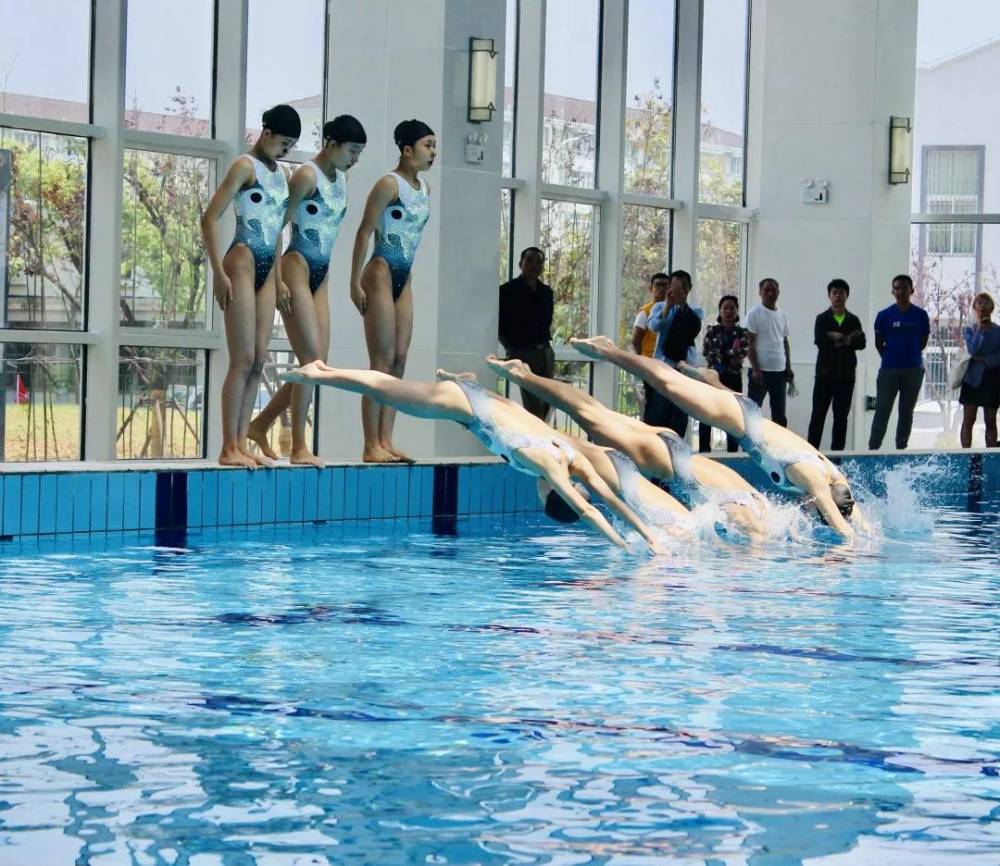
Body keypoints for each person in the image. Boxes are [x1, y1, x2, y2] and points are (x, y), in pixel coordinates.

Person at [282, 361, 683, 552]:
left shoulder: (575, 459)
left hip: (486, 403)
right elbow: (589, 510)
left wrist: (650, 536)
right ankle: (320, 373)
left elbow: (610, 500)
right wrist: (623, 547)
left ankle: (459, 378)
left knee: (395, 391)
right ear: (552, 493)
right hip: (467, 407)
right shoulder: (549, 466)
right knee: (388, 390)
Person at [569, 335, 869, 539]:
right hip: (740, 419)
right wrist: (850, 547)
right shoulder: (815, 481)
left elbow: (850, 510)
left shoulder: (834, 478)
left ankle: (711, 381)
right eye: (814, 510)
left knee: (676, 391)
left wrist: (866, 532)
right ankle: (609, 350)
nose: (807, 509)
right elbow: (838, 519)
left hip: (747, 417)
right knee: (667, 383)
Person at [486, 354, 768, 540]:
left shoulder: (750, 509)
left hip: (669, 461)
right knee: (589, 413)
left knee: (589, 413)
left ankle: (520, 379)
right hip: (667, 461)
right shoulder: (752, 512)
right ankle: (521, 378)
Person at [247, 115, 367, 466]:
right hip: (296, 267)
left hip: (321, 275)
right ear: (331, 144)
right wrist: (277, 279)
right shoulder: (305, 176)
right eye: (352, 151)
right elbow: (274, 225)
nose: (355, 159)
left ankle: (260, 424)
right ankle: (299, 446)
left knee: (318, 365)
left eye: (359, 153)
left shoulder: (341, 178)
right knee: (311, 362)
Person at [200, 104, 300, 467]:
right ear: (266, 133)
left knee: (258, 360)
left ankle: (241, 443)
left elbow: (276, 229)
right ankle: (228, 447)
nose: (286, 150)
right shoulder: (244, 166)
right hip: (241, 262)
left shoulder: (282, 175)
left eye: (291, 146)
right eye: (283, 143)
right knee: (241, 359)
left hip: (267, 269)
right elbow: (209, 218)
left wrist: (279, 278)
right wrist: (218, 271)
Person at [349, 119, 435, 463]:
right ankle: (370, 444)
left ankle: (386, 439)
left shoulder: (425, 188)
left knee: (399, 360)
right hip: (381, 271)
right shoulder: (388, 184)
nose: (433, 152)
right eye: (427, 145)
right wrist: (353, 282)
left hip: (404, 277)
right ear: (407, 150)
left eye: (434, 146)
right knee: (381, 362)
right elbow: (363, 232)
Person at [868, 274, 930, 451]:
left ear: (911, 290)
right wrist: (891, 358)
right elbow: (879, 343)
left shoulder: (921, 315)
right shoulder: (884, 315)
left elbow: (923, 342)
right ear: (892, 291)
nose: (900, 291)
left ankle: (901, 448)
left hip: (913, 370)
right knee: (882, 410)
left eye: (904, 288)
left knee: (906, 412)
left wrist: (908, 355)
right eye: (897, 288)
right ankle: (873, 449)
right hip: (889, 370)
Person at [806, 278, 866, 451]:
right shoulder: (822, 318)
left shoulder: (853, 319)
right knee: (818, 416)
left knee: (841, 418)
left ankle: (837, 458)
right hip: (824, 376)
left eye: (841, 292)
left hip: (846, 377)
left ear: (847, 296)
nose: (838, 296)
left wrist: (838, 337)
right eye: (834, 292)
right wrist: (846, 339)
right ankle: (811, 454)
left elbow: (861, 343)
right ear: (829, 296)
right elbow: (820, 341)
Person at [498, 246, 555, 419]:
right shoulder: (507, 291)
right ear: (520, 263)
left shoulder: (546, 292)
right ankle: (535, 434)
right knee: (533, 405)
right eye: (529, 260)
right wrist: (512, 349)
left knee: (549, 400)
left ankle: (543, 431)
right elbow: (499, 324)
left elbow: (547, 321)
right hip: (523, 353)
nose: (534, 265)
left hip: (545, 352)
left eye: (539, 262)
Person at [645, 270, 702, 434]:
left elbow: (691, 330)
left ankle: (677, 444)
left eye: (682, 286)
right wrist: (668, 307)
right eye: (674, 286)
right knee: (658, 411)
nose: (677, 290)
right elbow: (654, 326)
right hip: (663, 365)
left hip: (685, 366)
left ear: (689, 288)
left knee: (680, 413)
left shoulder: (696, 311)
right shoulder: (659, 306)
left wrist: (682, 305)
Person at [699, 295, 749, 453]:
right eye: (725, 308)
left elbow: (742, 353)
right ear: (720, 311)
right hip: (712, 378)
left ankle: (732, 453)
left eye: (732, 308)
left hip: (733, 379)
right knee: (706, 414)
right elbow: (708, 353)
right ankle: (704, 452)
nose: (728, 311)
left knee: (733, 416)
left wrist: (724, 355)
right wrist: (731, 353)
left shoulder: (742, 332)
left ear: (737, 311)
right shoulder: (711, 331)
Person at [744, 277, 793, 428]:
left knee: (779, 415)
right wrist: (756, 369)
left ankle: (779, 443)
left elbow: (784, 342)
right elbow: (749, 343)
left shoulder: (781, 314)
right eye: (766, 290)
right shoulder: (754, 313)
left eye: (773, 290)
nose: (770, 293)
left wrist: (788, 368)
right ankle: (752, 442)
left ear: (778, 292)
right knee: (752, 413)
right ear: (760, 292)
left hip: (779, 372)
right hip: (760, 372)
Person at [959, 291, 1000, 448]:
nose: (983, 306)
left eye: (986, 303)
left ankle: (991, 453)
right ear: (974, 307)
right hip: (972, 379)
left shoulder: (998, 331)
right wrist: (981, 330)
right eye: (979, 303)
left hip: (993, 378)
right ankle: (965, 454)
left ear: (991, 308)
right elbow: (973, 350)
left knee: (990, 420)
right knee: (968, 419)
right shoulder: (969, 330)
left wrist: (986, 360)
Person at [631, 272, 670, 425]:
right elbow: (636, 339)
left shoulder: (672, 309)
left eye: (665, 285)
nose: (662, 289)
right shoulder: (645, 312)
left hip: (667, 365)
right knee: (652, 405)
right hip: (650, 365)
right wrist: (641, 362)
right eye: (658, 285)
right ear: (651, 288)